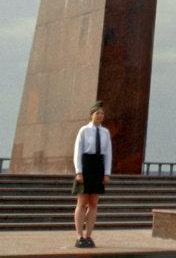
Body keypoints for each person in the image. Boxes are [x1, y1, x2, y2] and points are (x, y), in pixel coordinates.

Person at [72, 102, 113, 248]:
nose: (100, 116)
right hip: (86, 165)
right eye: (97, 113)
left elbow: (108, 154)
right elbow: (77, 151)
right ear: (91, 115)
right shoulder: (84, 130)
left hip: (98, 166)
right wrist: (79, 171)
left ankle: (88, 235)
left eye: (102, 113)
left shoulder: (105, 132)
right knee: (82, 203)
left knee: (94, 203)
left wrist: (106, 173)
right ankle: (79, 236)